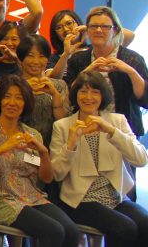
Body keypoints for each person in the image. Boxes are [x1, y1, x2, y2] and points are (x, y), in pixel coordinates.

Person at [0, 75, 79, 247]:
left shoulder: (32, 134)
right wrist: (0, 149)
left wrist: (43, 153)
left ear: (26, 103)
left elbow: (47, 179)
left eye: (19, 98)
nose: (12, 102)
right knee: (53, 231)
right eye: (7, 96)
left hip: (32, 197)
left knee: (72, 232)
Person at [51, 72, 148, 246]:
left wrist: (112, 132)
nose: (88, 97)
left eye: (95, 92)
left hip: (116, 196)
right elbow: (56, 174)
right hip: (81, 200)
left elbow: (141, 159)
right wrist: (71, 144)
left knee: (145, 223)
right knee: (126, 228)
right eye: (83, 91)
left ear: (103, 96)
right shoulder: (63, 126)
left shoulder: (116, 121)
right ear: (75, 95)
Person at [63, 6, 148, 137]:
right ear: (87, 30)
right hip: (86, 129)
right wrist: (87, 71)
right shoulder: (78, 59)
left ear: (115, 30)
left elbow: (145, 99)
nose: (98, 30)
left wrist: (131, 72)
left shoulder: (132, 59)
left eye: (105, 27)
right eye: (93, 26)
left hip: (125, 132)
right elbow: (68, 97)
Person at [17, 35, 70, 141]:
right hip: (19, 144)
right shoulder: (12, 85)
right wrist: (23, 90)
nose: (36, 61)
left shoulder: (60, 86)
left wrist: (55, 95)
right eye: (30, 55)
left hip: (53, 145)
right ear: (21, 59)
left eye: (42, 56)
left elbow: (64, 122)